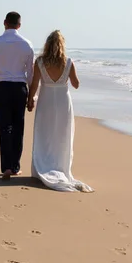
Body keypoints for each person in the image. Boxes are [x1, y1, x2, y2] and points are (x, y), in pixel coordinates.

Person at [27, 30, 93, 192]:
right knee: (62, 134)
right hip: (63, 102)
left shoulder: (40, 62)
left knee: (45, 133)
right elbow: (76, 84)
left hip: (46, 100)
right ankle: (60, 166)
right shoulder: (68, 62)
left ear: (47, 44)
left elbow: (34, 84)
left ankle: (42, 166)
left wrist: (30, 100)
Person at [0, 12, 34, 180]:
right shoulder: (27, 44)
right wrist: (32, 96)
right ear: (19, 25)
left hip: (2, 87)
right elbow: (31, 73)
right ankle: (15, 166)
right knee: (18, 128)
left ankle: (6, 167)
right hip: (19, 88)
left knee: (4, 127)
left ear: (5, 23)